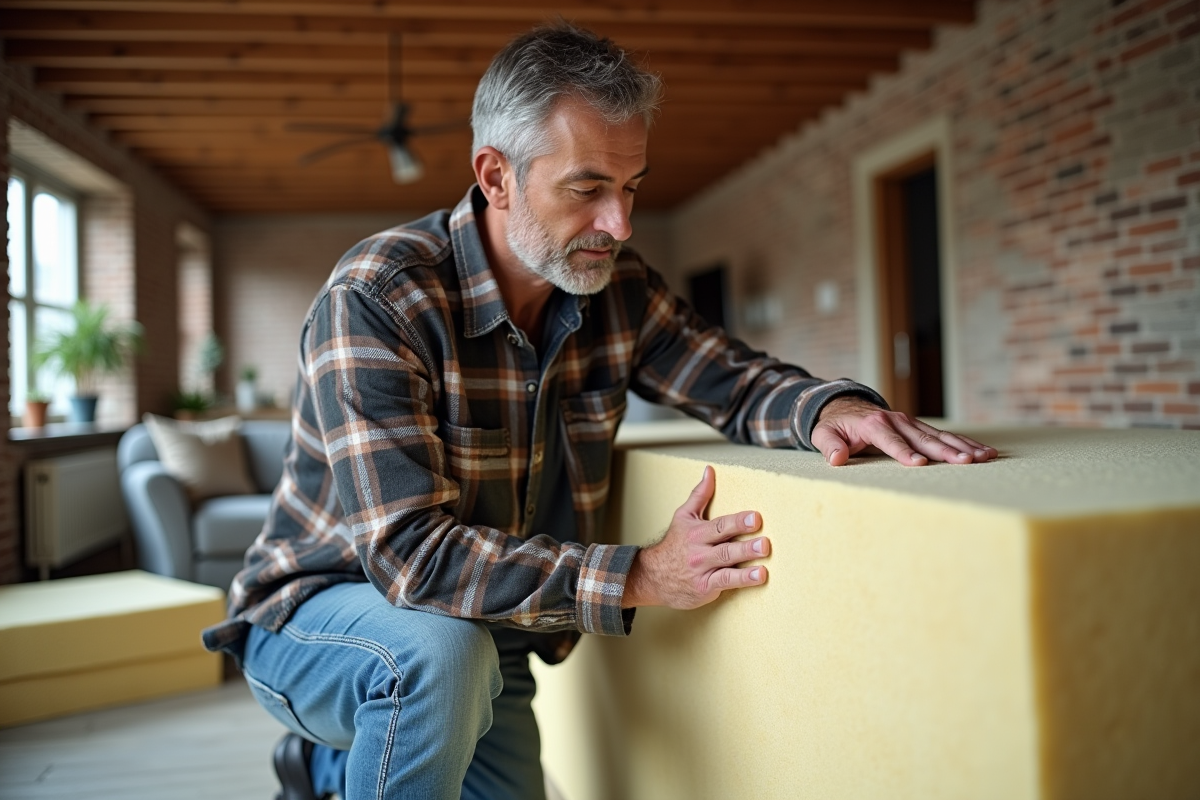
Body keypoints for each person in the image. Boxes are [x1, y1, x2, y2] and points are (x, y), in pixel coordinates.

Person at [202, 22, 996, 800]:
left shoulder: (615, 285)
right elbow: (411, 559)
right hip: (319, 618)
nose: (617, 225)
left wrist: (834, 407)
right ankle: (331, 762)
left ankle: (332, 778)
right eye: (587, 189)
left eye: (631, 189)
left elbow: (733, 380)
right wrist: (642, 573)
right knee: (437, 657)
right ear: (496, 175)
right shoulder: (379, 297)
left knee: (460, 661)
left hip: (490, 636)